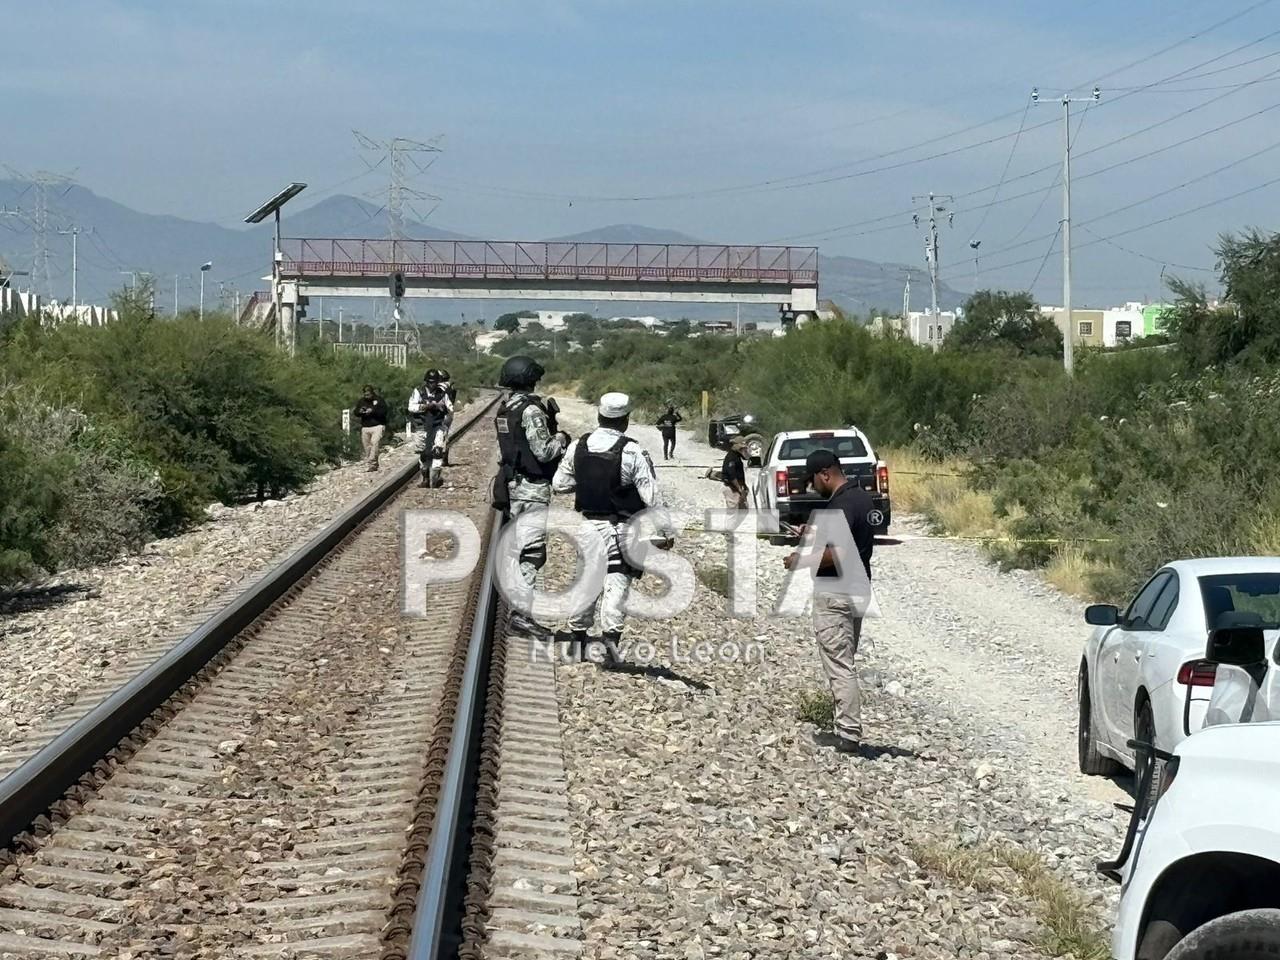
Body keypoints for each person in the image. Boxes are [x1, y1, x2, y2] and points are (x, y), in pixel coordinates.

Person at [552, 392, 663, 666]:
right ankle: (610, 650)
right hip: (620, 528)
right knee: (617, 582)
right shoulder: (632, 450)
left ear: (599, 416)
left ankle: (577, 643)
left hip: (587, 526)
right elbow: (652, 497)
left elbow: (559, 484)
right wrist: (663, 533)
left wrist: (590, 484)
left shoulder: (578, 445)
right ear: (625, 420)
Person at [783, 449, 876, 754]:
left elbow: (838, 554)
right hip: (859, 589)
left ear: (825, 473)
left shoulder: (839, 506)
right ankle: (846, 728)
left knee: (839, 664)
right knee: (845, 659)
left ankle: (848, 734)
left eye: (813, 480)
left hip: (836, 593)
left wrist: (800, 560)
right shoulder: (861, 499)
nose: (812, 486)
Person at [493, 355, 569, 638]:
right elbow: (543, 452)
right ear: (529, 379)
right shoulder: (531, 411)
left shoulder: (505, 409)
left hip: (513, 484)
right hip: (532, 488)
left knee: (520, 547)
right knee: (533, 552)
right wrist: (561, 438)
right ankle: (521, 615)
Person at [408, 369, 453, 487]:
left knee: (438, 451)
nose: (432, 384)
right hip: (422, 426)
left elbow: (450, 408)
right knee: (424, 454)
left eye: (434, 382)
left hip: (437, 425)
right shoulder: (418, 392)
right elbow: (411, 407)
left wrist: (441, 407)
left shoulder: (442, 394)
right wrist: (427, 406)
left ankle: (436, 477)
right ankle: (425, 478)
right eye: (430, 382)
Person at [354, 384, 388, 472]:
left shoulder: (379, 400)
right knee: (367, 447)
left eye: (368, 394)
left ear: (372, 393)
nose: (367, 396)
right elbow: (356, 412)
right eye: (365, 394)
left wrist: (373, 411)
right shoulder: (361, 401)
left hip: (378, 426)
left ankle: (372, 463)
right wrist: (360, 411)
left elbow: (384, 412)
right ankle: (372, 464)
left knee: (374, 443)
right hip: (365, 427)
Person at [721, 437, 749, 509]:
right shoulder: (731, 457)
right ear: (735, 446)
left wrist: (744, 486)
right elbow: (732, 475)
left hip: (736, 488)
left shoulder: (736, 456)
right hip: (732, 488)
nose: (743, 449)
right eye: (741, 447)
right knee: (732, 514)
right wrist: (739, 489)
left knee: (743, 510)